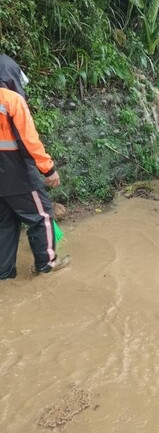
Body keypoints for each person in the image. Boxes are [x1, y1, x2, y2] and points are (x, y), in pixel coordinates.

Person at [0, 55, 70, 280]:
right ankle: (47, 263)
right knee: (42, 216)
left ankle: (4, 272)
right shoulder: (12, 100)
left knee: (5, 222)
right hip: (16, 171)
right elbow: (29, 141)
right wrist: (48, 169)